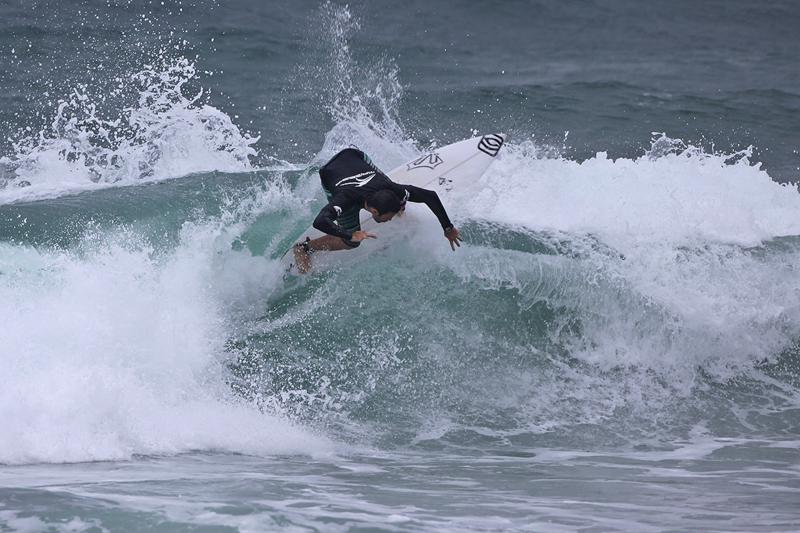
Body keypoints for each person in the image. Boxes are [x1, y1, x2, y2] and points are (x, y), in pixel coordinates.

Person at [293, 147, 461, 273]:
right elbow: (320, 221)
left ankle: (399, 207)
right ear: (373, 211)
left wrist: (448, 228)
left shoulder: (391, 188)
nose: (389, 220)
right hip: (330, 174)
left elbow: (429, 196)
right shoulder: (346, 199)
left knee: (399, 198)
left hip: (355, 155)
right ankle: (305, 248)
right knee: (352, 243)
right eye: (387, 218)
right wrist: (350, 235)